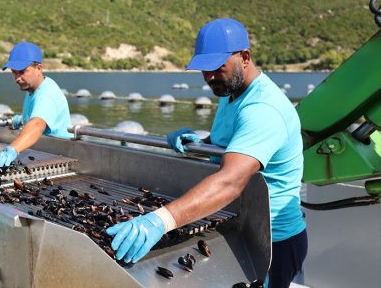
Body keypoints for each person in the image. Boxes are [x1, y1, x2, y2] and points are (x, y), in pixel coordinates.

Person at [106, 18, 307, 288]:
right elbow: (232, 144)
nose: (209, 77)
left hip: (272, 243)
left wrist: (160, 220)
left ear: (245, 57)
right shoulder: (231, 92)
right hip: (238, 223)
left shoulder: (263, 110)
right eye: (203, 69)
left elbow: (231, 181)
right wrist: (200, 142)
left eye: (216, 68)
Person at [0, 41, 73, 168]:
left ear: (39, 68)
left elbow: (37, 124)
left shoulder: (46, 94)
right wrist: (22, 119)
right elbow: (38, 115)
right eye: (14, 72)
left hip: (61, 158)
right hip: (43, 153)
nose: (17, 78)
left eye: (22, 71)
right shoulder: (33, 88)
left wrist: (11, 151)